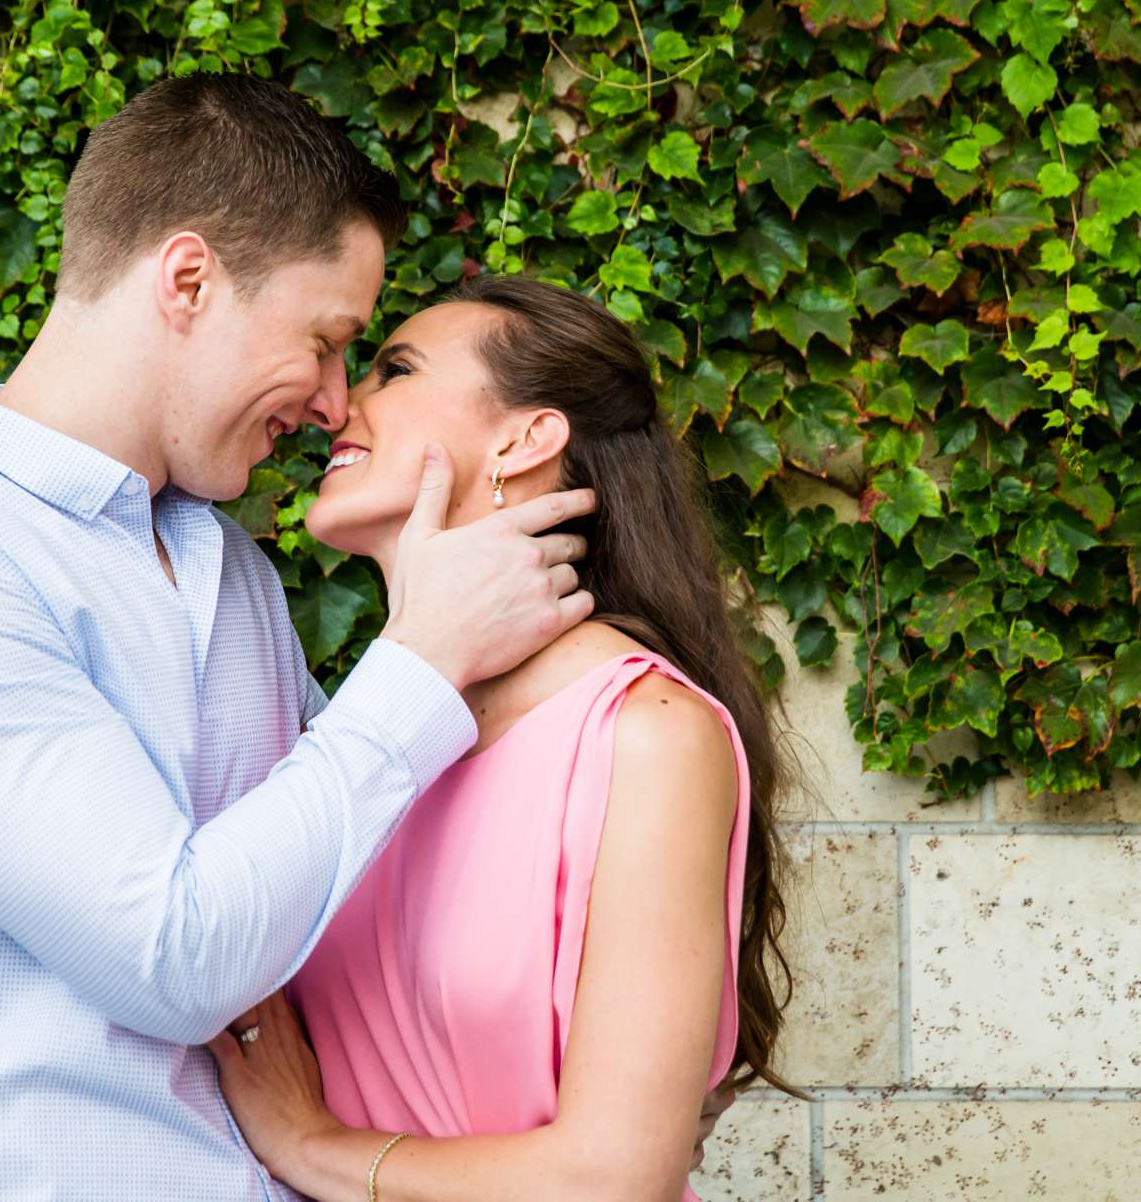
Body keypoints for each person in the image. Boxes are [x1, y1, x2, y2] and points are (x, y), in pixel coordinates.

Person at [0, 75, 610, 1200]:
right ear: (188, 279)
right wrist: (420, 659)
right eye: (324, 341)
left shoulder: (233, 575)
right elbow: (174, 957)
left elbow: (337, 891)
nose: (331, 400)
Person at [207, 276, 795, 1202]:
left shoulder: (645, 736)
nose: (335, 403)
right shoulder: (358, 737)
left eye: (394, 369)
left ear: (525, 440)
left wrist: (314, 1144)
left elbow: (615, 1177)